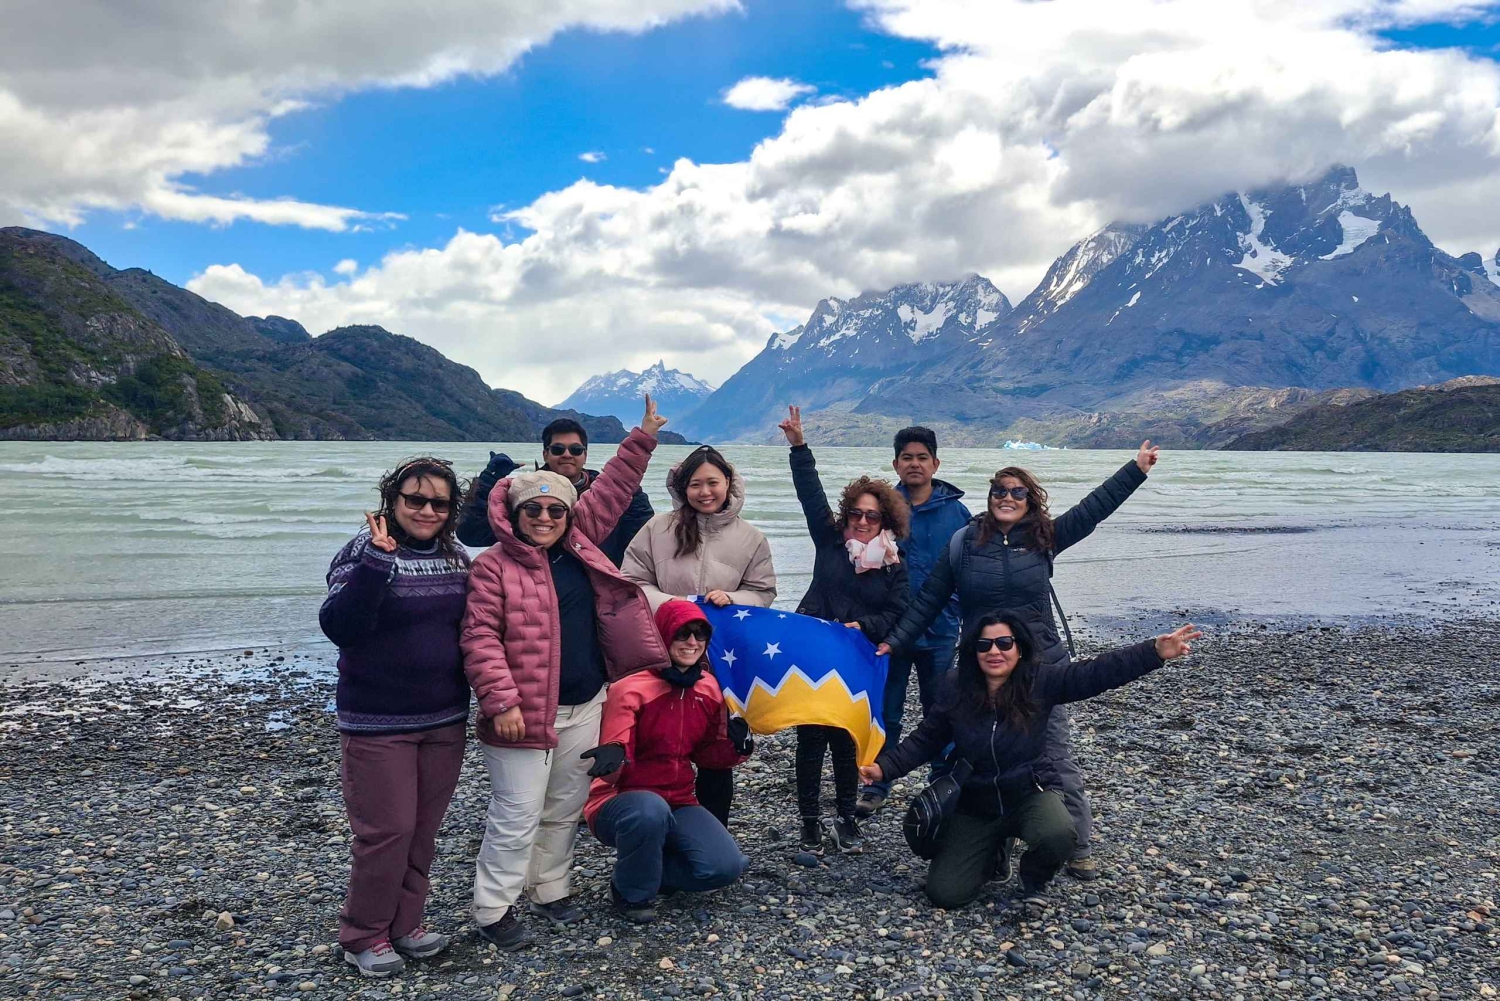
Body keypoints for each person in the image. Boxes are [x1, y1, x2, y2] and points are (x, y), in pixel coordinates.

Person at [879, 441, 1161, 880]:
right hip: (983, 666)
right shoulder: (964, 543)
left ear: (1031, 500)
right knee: (979, 753)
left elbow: (1094, 508)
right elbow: (928, 601)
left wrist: (1136, 469)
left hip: (1039, 667)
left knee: (1053, 754)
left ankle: (1077, 844)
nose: (1006, 498)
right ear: (989, 499)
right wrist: (893, 643)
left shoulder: (1045, 538)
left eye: (1016, 493)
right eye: (998, 492)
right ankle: (990, 842)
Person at [461, 397, 670, 952]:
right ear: (515, 515)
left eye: (556, 511)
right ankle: (493, 906)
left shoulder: (581, 544)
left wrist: (643, 437)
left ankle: (550, 888)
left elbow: (614, 488)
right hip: (522, 711)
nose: (547, 518)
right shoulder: (491, 567)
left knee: (563, 808)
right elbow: (479, 638)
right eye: (535, 511)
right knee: (516, 812)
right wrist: (500, 700)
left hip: (587, 701)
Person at [861, 615, 1201, 909]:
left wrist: (1153, 652)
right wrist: (884, 769)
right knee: (946, 894)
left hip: (1028, 792)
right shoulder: (955, 686)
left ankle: (1034, 880)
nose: (995, 651)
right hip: (975, 803)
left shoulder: (1041, 681)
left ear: (1019, 648)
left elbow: (1096, 673)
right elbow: (927, 738)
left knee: (1059, 833)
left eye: (1004, 643)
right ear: (973, 651)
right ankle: (995, 850)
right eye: (985, 645)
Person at [319, 457, 472, 978]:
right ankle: (363, 933)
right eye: (415, 499)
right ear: (393, 501)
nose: (426, 510)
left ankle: (405, 924)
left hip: (445, 718)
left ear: (452, 511)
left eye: (439, 502)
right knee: (386, 831)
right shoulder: (364, 551)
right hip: (377, 721)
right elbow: (341, 626)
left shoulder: (457, 558)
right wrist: (378, 566)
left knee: (423, 830)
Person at [621, 444, 777, 828]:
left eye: (713, 483)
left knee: (716, 753)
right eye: (695, 484)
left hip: (720, 663)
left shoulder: (751, 537)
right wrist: (675, 606)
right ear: (681, 487)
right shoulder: (657, 528)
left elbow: (764, 592)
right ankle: (656, 829)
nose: (705, 492)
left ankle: (710, 833)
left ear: (729, 484)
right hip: (661, 655)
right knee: (658, 747)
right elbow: (631, 580)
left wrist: (734, 598)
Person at [778, 405, 909, 855]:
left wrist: (865, 626)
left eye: (872, 515)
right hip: (815, 650)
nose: (862, 520)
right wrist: (799, 447)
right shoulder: (830, 542)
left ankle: (846, 817)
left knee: (848, 738)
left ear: (885, 521)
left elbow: (898, 611)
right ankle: (810, 822)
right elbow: (809, 495)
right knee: (811, 738)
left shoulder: (894, 563)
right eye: (856, 512)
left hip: (857, 657)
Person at [580, 600, 754, 923]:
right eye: (682, 634)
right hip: (621, 800)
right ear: (661, 637)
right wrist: (617, 753)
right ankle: (630, 891)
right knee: (649, 811)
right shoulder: (629, 688)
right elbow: (616, 744)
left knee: (726, 868)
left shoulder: (709, 689)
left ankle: (651, 871)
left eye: (700, 634)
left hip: (678, 799)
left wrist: (739, 745)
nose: (692, 642)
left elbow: (709, 756)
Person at [856, 426, 973, 819]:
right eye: (907, 457)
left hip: (941, 630)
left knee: (939, 708)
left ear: (936, 463)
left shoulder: (957, 512)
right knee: (886, 710)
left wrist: (955, 608)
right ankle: (878, 781)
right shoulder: (885, 510)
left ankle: (941, 779)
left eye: (922, 457)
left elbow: (968, 565)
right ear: (896, 464)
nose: (915, 464)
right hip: (892, 632)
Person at [457, 418, 655, 568]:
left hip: (599, 590)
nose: (567, 454)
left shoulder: (607, 494)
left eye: (576, 450)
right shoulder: (523, 495)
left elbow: (643, 541)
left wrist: (629, 488)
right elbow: (472, 535)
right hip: (534, 590)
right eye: (558, 449)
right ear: (545, 454)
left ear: (585, 455)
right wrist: (488, 481)